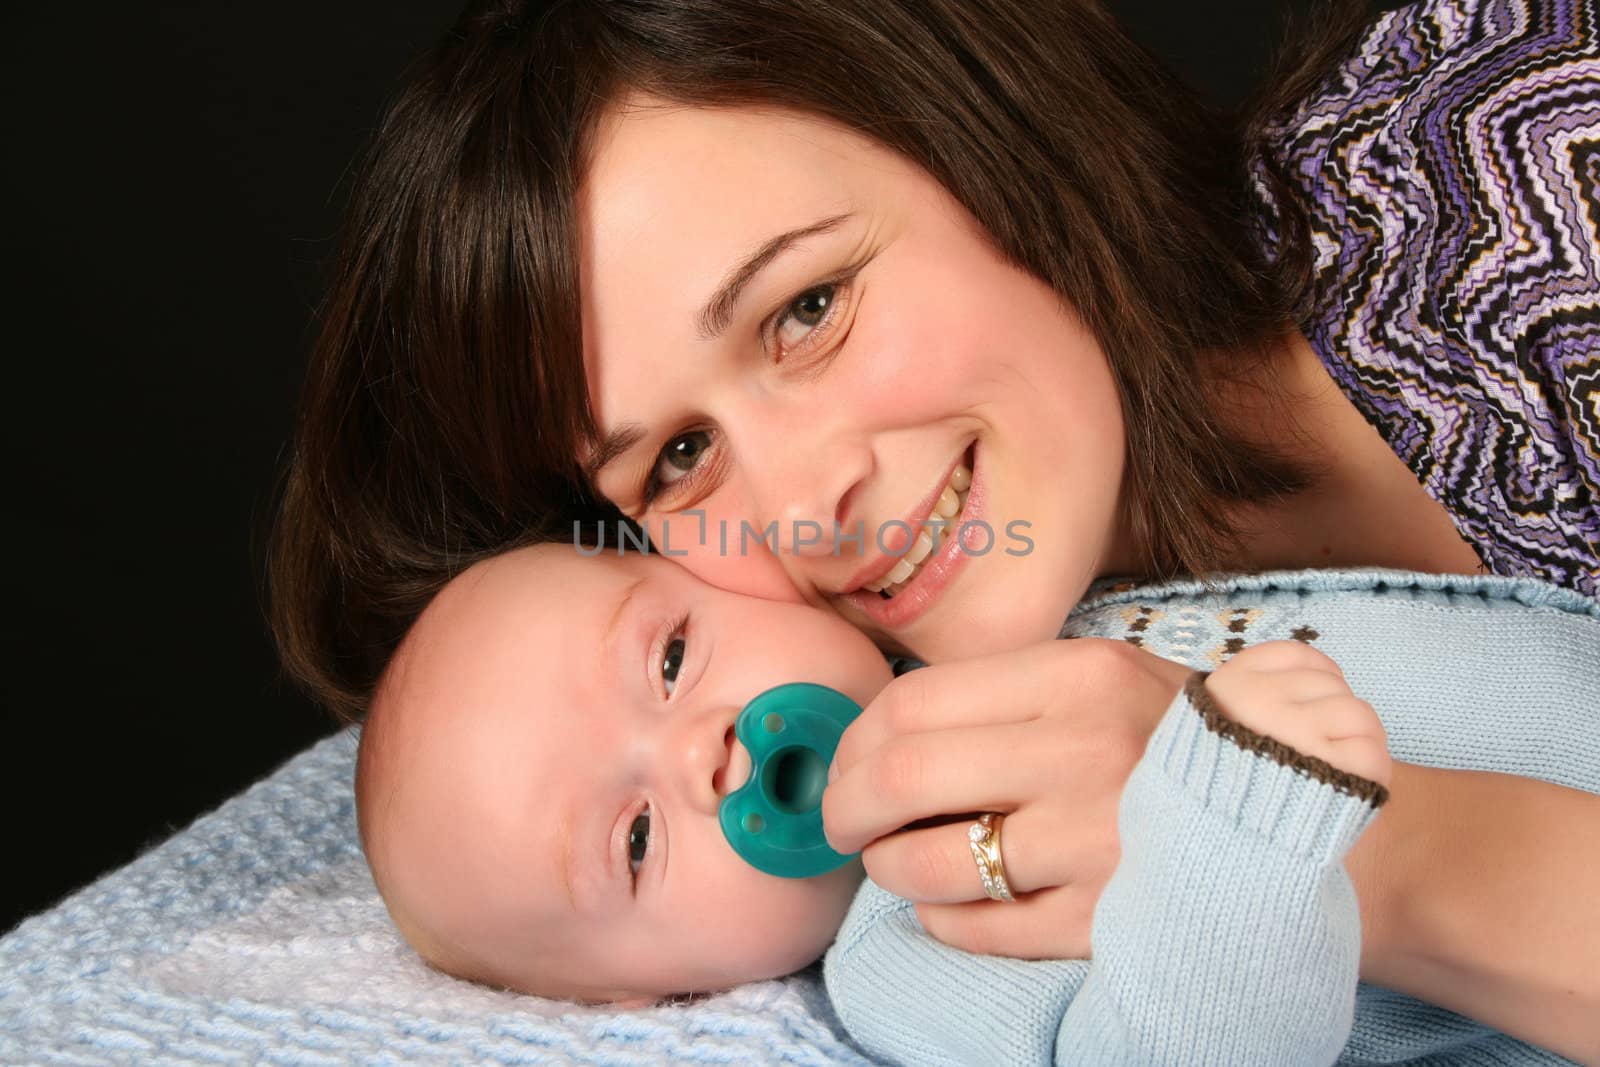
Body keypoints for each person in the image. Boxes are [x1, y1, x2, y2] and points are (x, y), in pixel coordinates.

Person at [269, 0, 1600, 1056]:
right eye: (678, 458)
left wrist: (1393, 855)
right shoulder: (927, 906)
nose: (804, 502)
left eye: (806, 309)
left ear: (991, 132)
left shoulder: (1533, 163)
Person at [358, 542, 1599, 1064]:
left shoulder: (978, 610)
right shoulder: (912, 946)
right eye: (635, 839)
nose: (705, 750)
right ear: (645, 991)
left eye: (673, 658)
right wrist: (1234, 833)